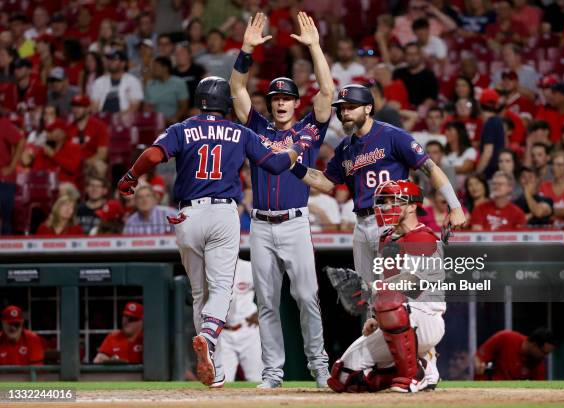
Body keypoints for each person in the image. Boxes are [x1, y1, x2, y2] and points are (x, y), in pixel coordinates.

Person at [116, 76, 315, 388]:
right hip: (223, 212)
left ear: (200, 100)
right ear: (227, 103)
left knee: (200, 293)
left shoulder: (182, 128)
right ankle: (208, 337)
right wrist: (298, 147)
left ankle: (217, 371)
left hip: (187, 214)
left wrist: (130, 176)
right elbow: (276, 165)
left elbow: (154, 155)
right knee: (222, 288)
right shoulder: (240, 131)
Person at [229, 12, 335, 389]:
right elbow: (237, 90)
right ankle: (272, 372)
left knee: (307, 297)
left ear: (294, 101)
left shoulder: (309, 127)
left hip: (294, 221)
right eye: (276, 98)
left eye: (287, 97)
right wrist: (245, 50)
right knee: (268, 303)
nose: (281, 103)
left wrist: (315, 47)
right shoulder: (256, 126)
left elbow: (327, 94)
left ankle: (319, 367)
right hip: (259, 224)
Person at [290, 84, 465, 288]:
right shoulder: (344, 148)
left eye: (351, 107)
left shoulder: (392, 135)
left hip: (391, 220)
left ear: (368, 108)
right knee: (370, 294)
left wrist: (455, 206)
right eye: (342, 108)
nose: (345, 113)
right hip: (361, 224)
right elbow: (326, 182)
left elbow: (430, 168)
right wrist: (292, 165)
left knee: (395, 292)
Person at [327, 180, 444, 393]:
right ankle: (424, 366)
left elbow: (413, 283)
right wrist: (375, 317)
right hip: (396, 318)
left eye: (395, 201)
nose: (387, 206)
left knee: (390, 301)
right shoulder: (386, 238)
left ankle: (414, 375)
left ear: (412, 206)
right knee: (343, 376)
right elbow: (386, 283)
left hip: (426, 320)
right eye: (384, 201)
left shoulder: (424, 237)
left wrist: (372, 287)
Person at [216, 259, 264, 382]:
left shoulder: (248, 268)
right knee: (222, 380)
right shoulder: (210, 270)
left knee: (256, 379)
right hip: (223, 332)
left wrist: (261, 312)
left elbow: (269, 290)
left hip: (248, 330)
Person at [474, 327, 556, 380]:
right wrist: (478, 365)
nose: (544, 357)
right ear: (534, 345)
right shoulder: (505, 338)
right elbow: (478, 357)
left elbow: (539, 390)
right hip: (487, 390)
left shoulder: (538, 363)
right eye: (543, 352)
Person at [22, 119, 82, 186]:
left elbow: (73, 167)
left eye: (51, 130)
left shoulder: (74, 147)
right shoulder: (44, 149)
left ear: (62, 133)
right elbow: (37, 170)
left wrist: (54, 155)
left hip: (68, 186)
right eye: (48, 131)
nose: (47, 133)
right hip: (48, 186)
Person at [90, 50, 143, 114]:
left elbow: (135, 106)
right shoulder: (99, 82)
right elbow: (94, 105)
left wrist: (119, 118)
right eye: (109, 59)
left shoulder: (133, 81)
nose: (110, 62)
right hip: (103, 119)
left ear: (123, 63)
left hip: (125, 119)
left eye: (114, 59)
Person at [69, 95, 109, 178]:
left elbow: (102, 153)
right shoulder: (68, 128)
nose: (76, 110)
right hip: (72, 164)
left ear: (87, 108)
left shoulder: (99, 126)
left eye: (80, 106)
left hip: (91, 162)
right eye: (74, 106)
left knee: (100, 166)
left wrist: (86, 163)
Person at [392, 42, 438, 113]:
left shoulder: (429, 75)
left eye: (415, 54)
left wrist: (421, 111)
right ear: (404, 56)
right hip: (401, 111)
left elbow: (432, 97)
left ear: (420, 55)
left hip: (421, 113)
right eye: (409, 54)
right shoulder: (398, 73)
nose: (412, 57)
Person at [144, 56, 189, 124]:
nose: (153, 70)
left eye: (155, 67)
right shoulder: (150, 85)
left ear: (165, 68)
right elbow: (146, 107)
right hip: (154, 123)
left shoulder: (179, 83)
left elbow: (184, 107)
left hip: (174, 123)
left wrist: (173, 119)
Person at [0, 115, 25, 235]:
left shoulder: (3, 123)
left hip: (3, 179)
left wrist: (11, 166)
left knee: (6, 220)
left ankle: (6, 250)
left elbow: (20, 141)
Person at [475, 89, 506, 179]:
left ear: (480, 105)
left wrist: (476, 173)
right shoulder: (498, 121)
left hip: (489, 175)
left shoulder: (490, 123)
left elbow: (488, 153)